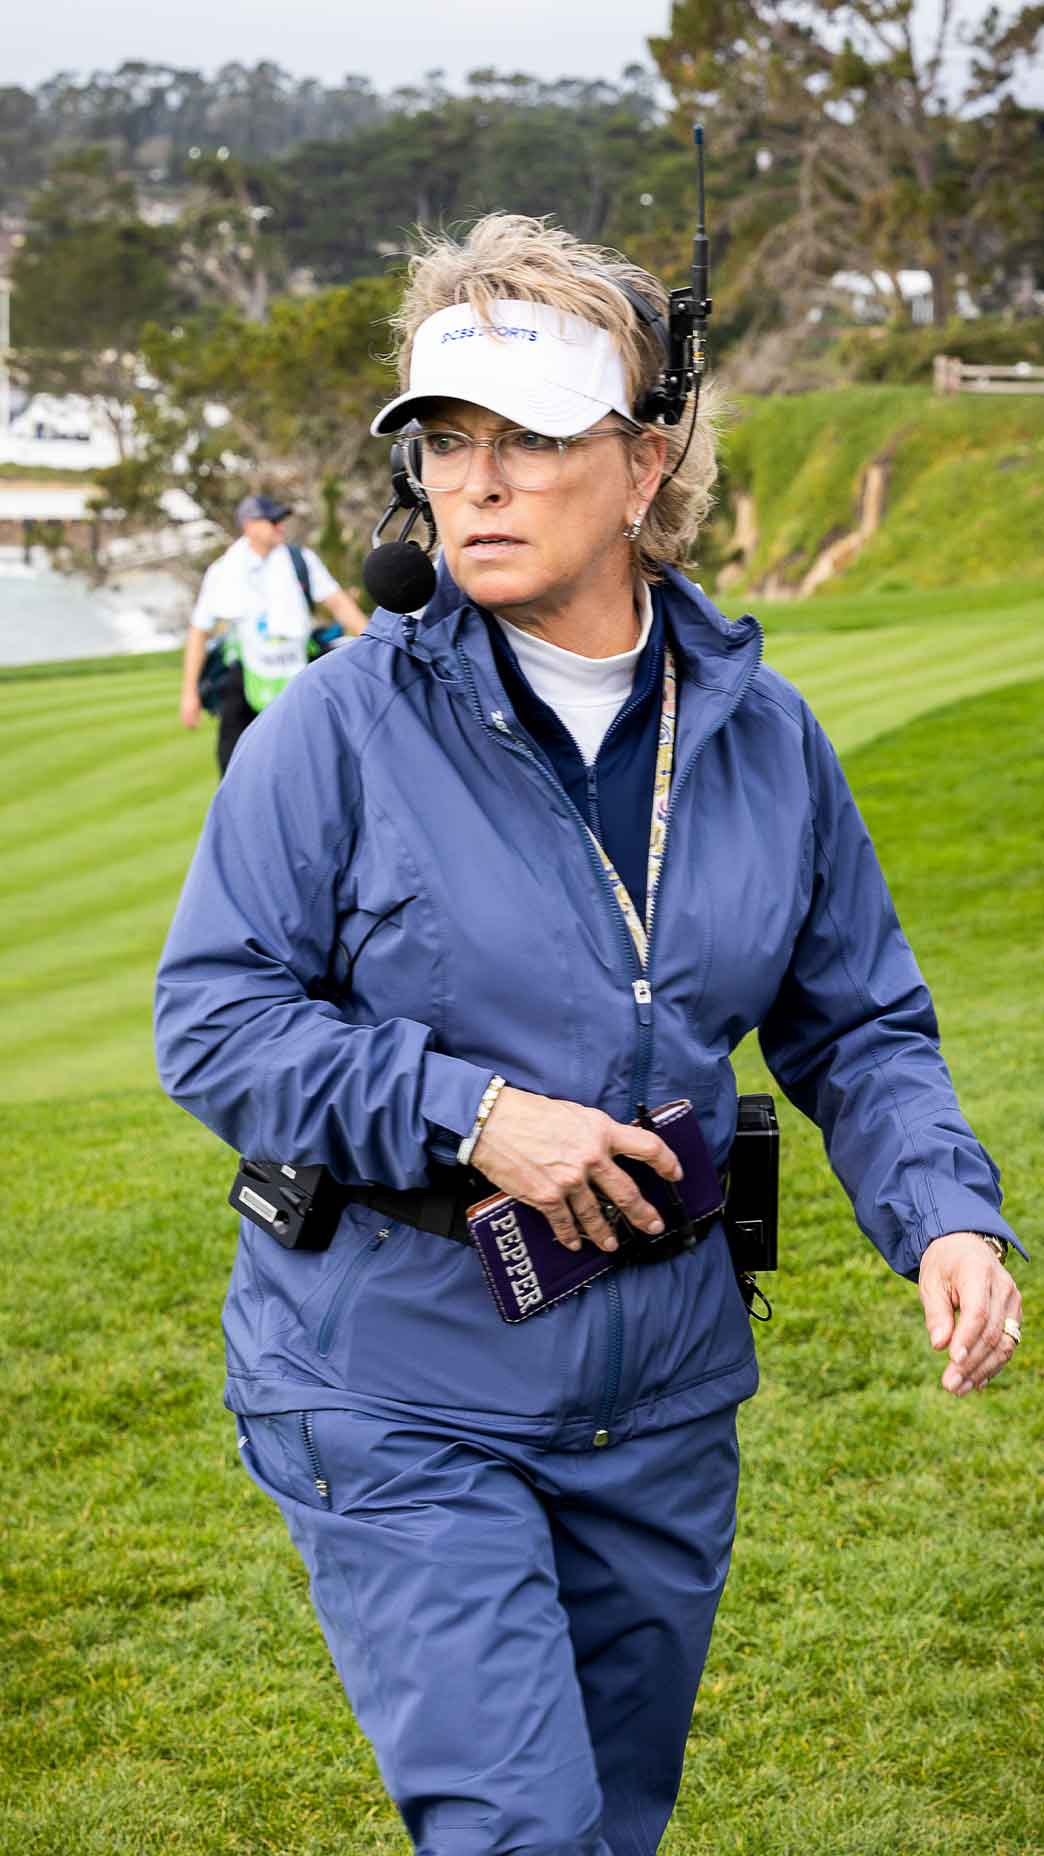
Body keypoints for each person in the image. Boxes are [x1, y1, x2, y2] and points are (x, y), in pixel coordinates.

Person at [155, 215, 1024, 1856]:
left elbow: (858, 1024)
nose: (476, 485)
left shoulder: (766, 740)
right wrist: (471, 1112)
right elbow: (215, 1024)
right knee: (522, 1832)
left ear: (644, 464)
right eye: (445, 442)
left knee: (610, 1828)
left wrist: (945, 1217)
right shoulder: (332, 730)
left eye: (531, 441)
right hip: (393, 1384)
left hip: (662, 1391)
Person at [179, 492, 368, 774]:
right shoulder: (223, 571)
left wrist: (372, 642)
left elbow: (339, 603)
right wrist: (189, 692)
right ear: (250, 526)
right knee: (234, 766)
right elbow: (199, 630)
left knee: (314, 762)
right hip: (245, 676)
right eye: (273, 521)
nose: (280, 526)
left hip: (298, 669)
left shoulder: (301, 561)